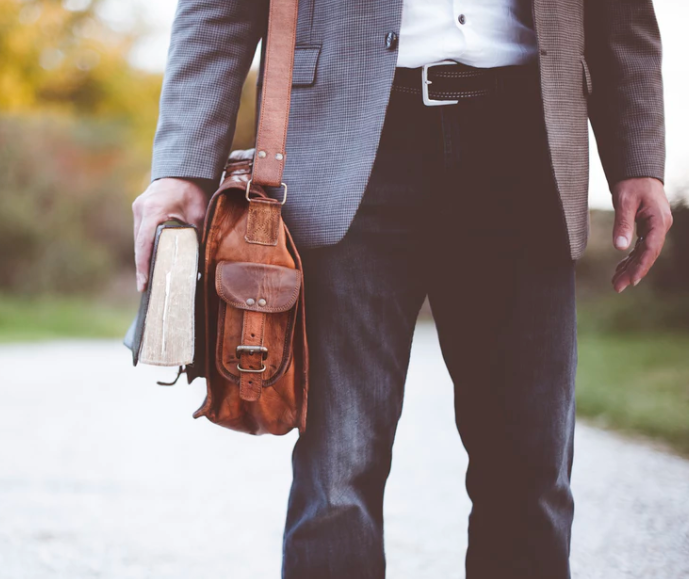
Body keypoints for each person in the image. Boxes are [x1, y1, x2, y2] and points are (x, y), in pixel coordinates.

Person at [132, 0, 672, 577]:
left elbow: (621, 14)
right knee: (338, 476)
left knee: (530, 477)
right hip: (349, 142)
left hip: (529, 142)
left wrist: (638, 157)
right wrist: (181, 166)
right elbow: (218, 10)